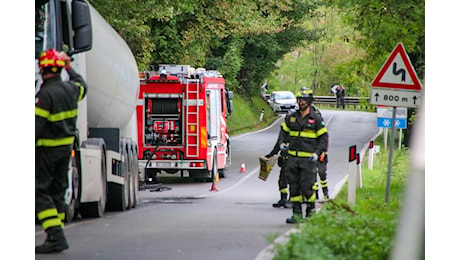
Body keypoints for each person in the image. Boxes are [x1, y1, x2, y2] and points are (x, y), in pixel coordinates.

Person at [35, 49, 88, 253]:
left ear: (43, 69)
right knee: (57, 192)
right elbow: (83, 86)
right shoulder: (71, 90)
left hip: (47, 152)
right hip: (65, 151)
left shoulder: (45, 95)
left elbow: (36, 127)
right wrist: (70, 67)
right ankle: (54, 235)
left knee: (38, 192)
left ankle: (55, 235)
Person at [279, 88, 329, 224]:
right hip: (292, 159)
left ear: (309, 102)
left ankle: (310, 213)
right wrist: (282, 144)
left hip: (308, 160)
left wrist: (317, 153)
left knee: (307, 187)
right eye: (299, 100)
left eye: (304, 100)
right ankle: (296, 215)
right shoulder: (292, 117)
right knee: (294, 187)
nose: (301, 102)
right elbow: (283, 132)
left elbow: (324, 138)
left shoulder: (316, 119)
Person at [265, 109, 296, 209]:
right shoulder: (284, 130)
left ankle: (292, 200)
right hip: (285, 160)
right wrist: (270, 155)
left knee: (293, 181)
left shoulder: (297, 131)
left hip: (294, 160)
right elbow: (279, 143)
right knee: (282, 181)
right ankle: (283, 199)